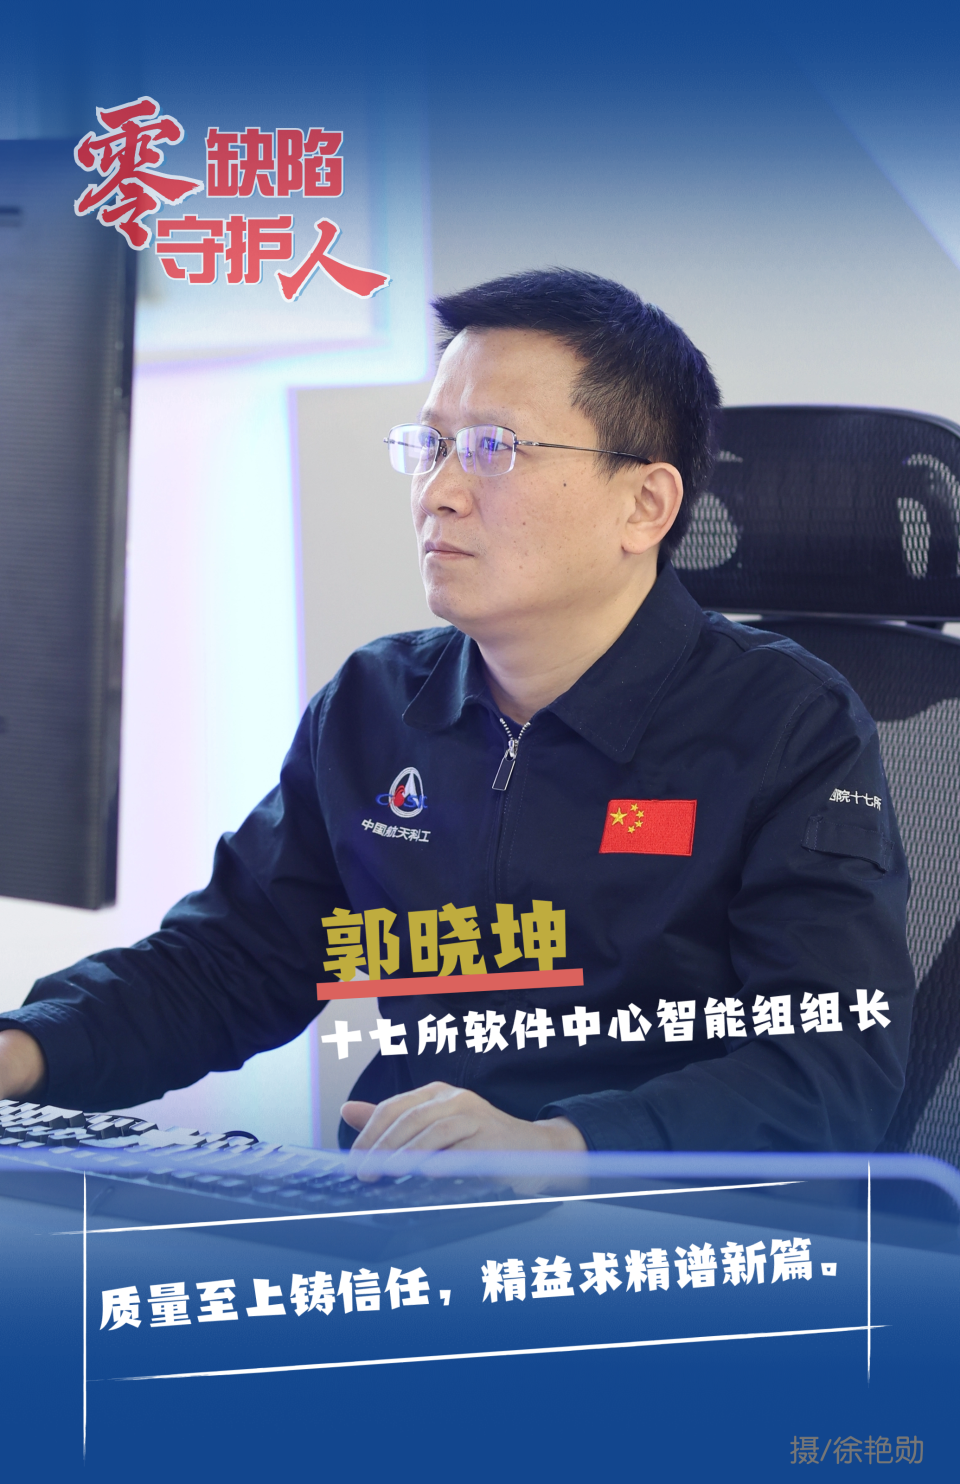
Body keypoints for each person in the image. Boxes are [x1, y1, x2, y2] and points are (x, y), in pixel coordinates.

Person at [0, 269, 915, 1176]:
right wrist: (27, 1048)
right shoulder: (376, 703)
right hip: (408, 1204)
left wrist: (562, 1147)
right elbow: (233, 962)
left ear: (645, 505)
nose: (438, 490)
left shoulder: (789, 725)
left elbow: (832, 1067)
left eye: (491, 448)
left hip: (665, 1225)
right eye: (431, 445)